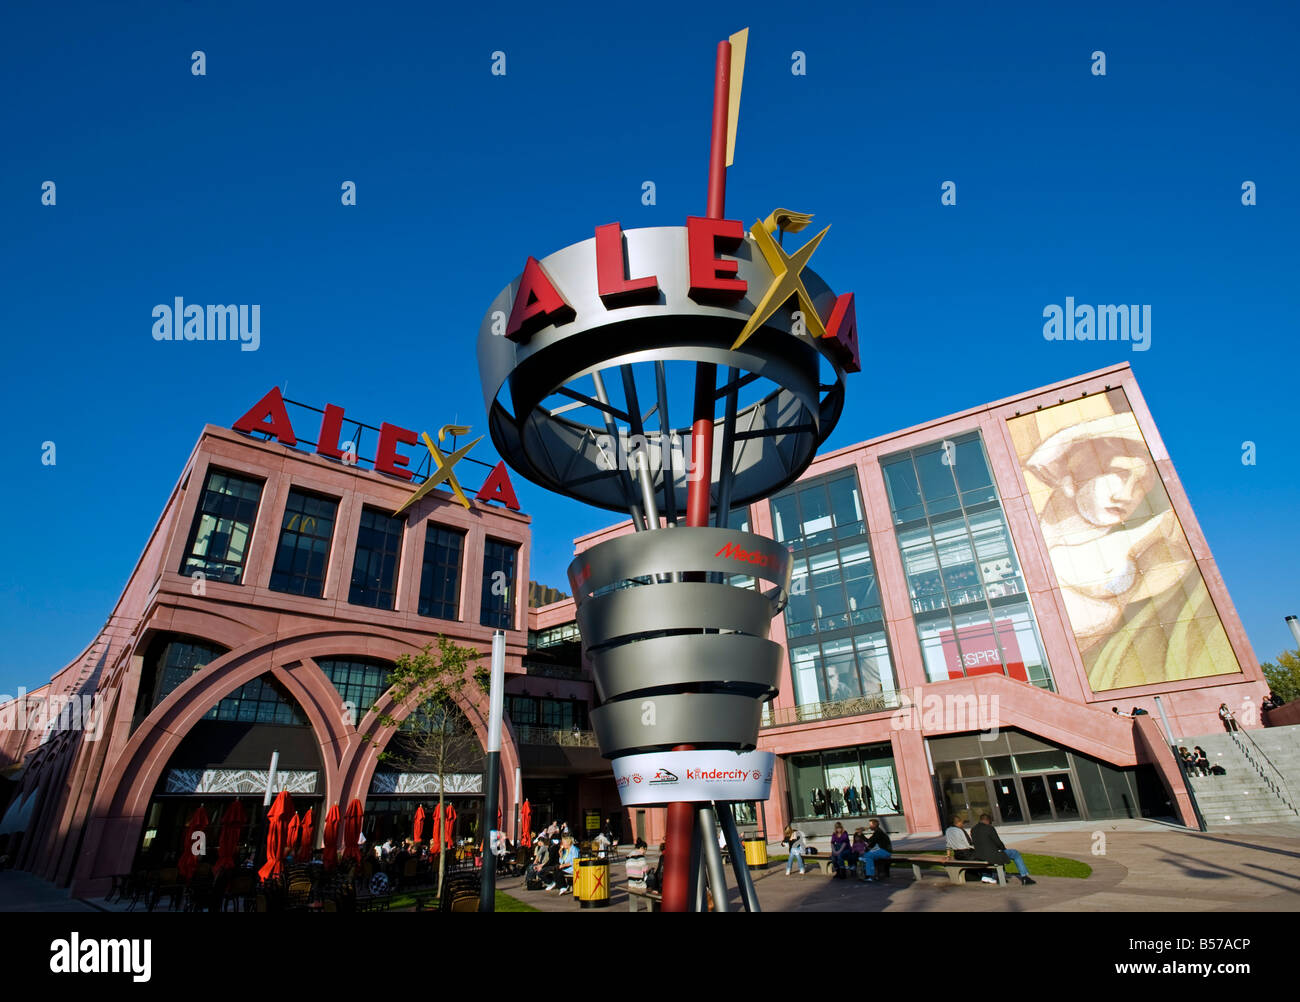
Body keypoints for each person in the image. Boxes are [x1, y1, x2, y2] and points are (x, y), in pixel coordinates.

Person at [971, 813, 1036, 885]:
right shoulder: (989, 828)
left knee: (999, 853)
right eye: (990, 822)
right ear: (988, 820)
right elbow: (998, 842)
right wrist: (1003, 849)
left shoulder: (973, 829)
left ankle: (993, 875)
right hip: (992, 855)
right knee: (1015, 853)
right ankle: (1024, 877)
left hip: (979, 856)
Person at [857, 818, 892, 883]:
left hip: (885, 851)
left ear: (874, 825)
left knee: (868, 855)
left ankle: (870, 876)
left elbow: (869, 842)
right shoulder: (878, 832)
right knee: (866, 855)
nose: (869, 826)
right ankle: (867, 874)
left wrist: (861, 834)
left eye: (870, 825)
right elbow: (871, 843)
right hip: (884, 851)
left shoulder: (878, 832)